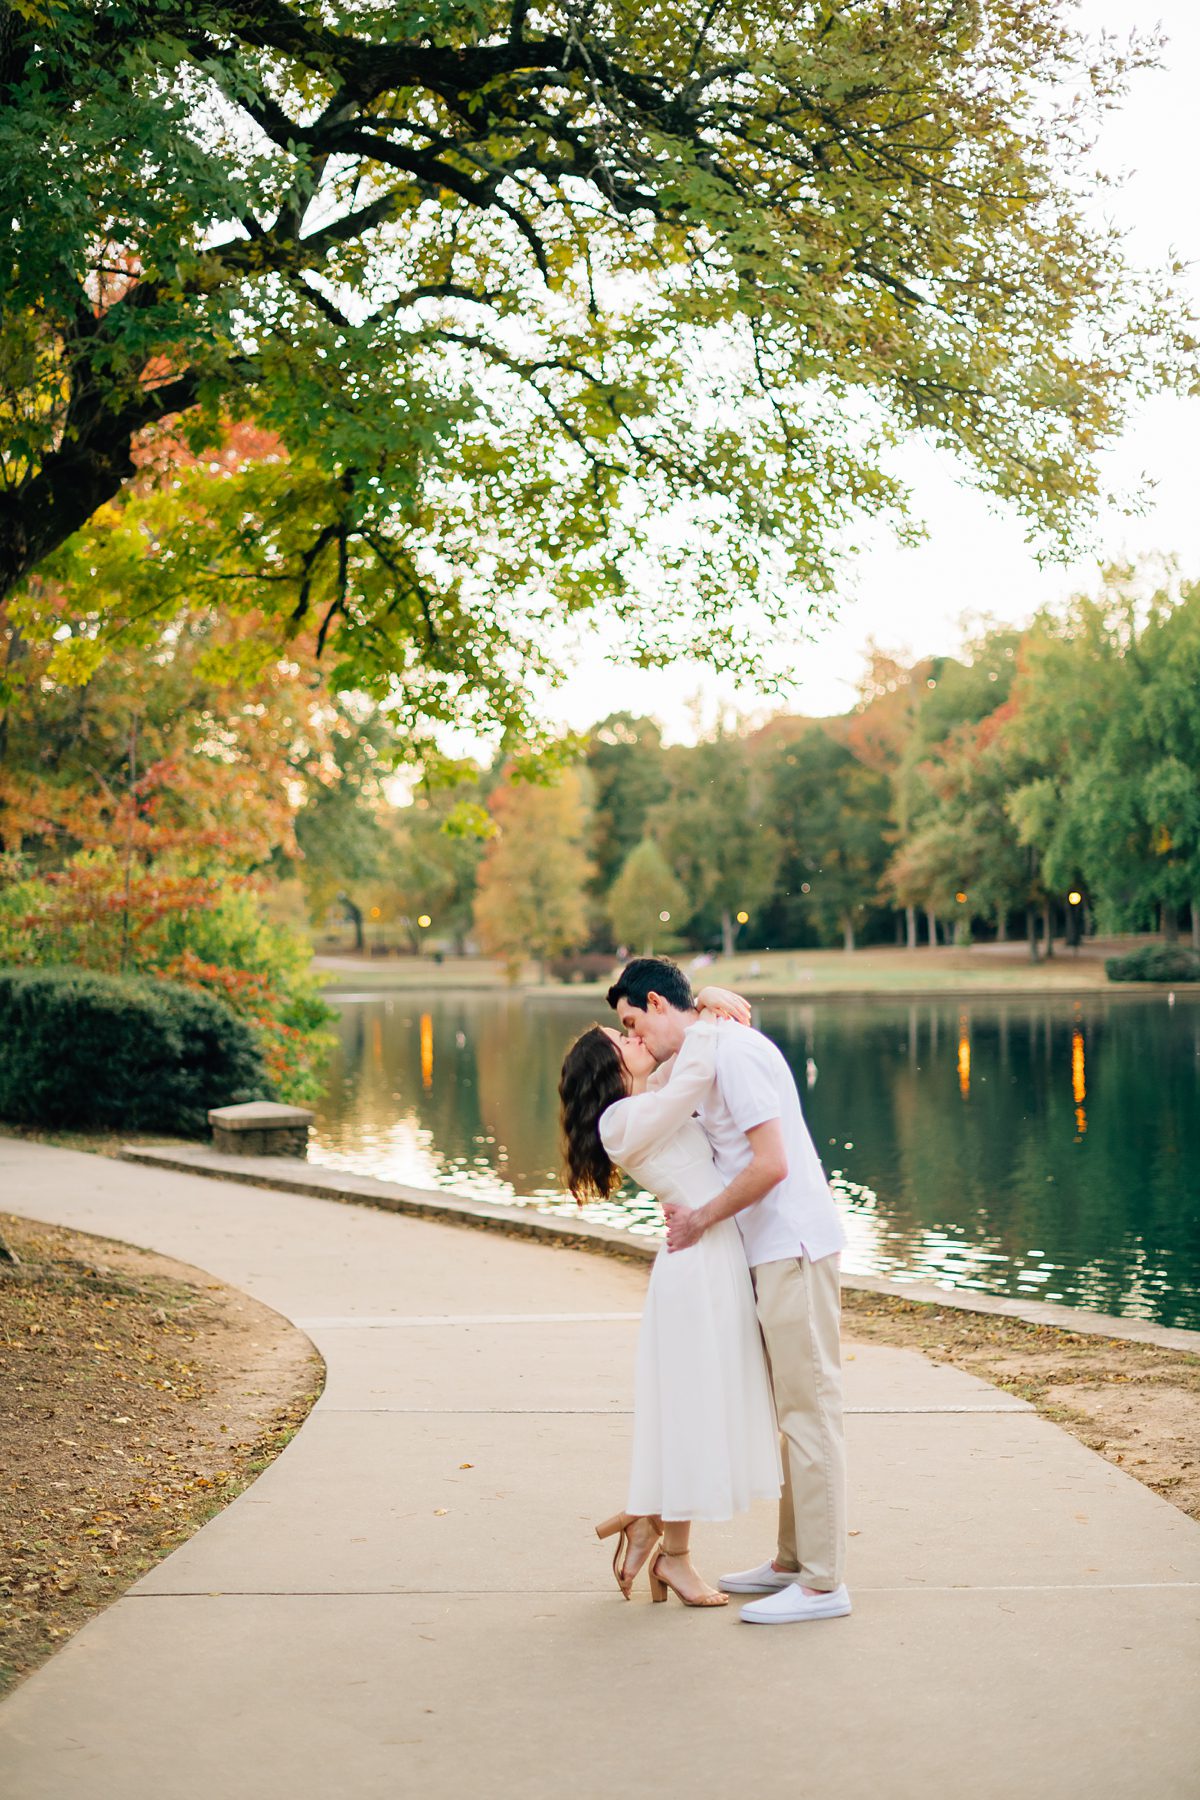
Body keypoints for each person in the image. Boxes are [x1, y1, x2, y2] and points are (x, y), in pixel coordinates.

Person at [608, 957, 851, 1626]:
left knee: (810, 1412)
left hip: (792, 1247)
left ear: (656, 1003)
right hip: (766, 1252)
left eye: (632, 1022)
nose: (633, 1038)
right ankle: (791, 1562)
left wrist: (699, 1218)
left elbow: (771, 1164)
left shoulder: (732, 1053)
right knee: (791, 1414)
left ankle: (825, 1584)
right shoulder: (706, 1052)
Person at [559, 998, 782, 1608]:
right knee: (692, 1410)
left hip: (714, 1256)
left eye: (628, 1027)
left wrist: (708, 1003)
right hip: (696, 1270)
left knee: (701, 1409)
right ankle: (670, 1553)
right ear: (607, 1069)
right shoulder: (619, 1122)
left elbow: (679, 1058)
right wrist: (708, 1019)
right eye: (620, 1039)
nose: (635, 1040)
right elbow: (694, 1073)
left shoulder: (646, 1098)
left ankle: (649, 1525)